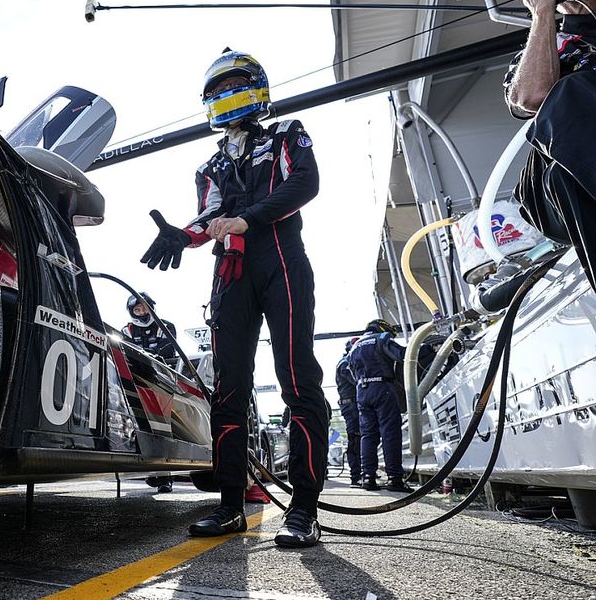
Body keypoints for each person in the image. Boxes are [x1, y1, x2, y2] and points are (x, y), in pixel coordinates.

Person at [140, 49, 329, 547]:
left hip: (282, 259)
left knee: (297, 377)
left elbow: (305, 183)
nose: (227, 98)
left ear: (257, 87)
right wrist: (184, 235)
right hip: (230, 272)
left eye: (235, 86)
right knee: (227, 389)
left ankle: (304, 510)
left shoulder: (287, 135)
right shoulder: (210, 164)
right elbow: (209, 216)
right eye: (217, 92)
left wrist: (248, 219)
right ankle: (230, 506)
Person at [504, 0, 596, 291]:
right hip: (551, 192)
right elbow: (531, 96)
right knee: (568, 94)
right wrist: (543, 11)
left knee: (563, 177)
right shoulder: (547, 45)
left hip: (569, 182)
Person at [347, 319, 413, 493]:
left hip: (362, 391)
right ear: (383, 327)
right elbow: (403, 355)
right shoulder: (382, 338)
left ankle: (367, 477)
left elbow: (351, 373)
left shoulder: (354, 347)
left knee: (367, 435)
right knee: (390, 433)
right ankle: (395, 479)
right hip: (382, 388)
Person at [121, 292, 178, 493]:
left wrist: (148, 358)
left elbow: (168, 350)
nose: (142, 312)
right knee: (138, 426)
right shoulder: (126, 330)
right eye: (137, 309)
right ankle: (152, 470)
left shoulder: (166, 326)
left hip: (160, 382)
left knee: (161, 428)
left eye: (144, 307)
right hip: (133, 382)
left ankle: (164, 476)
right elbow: (123, 349)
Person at [335, 337, 362, 488]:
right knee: (355, 440)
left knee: (360, 439)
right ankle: (356, 476)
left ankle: (361, 473)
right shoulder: (345, 363)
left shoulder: (348, 361)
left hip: (354, 405)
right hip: (351, 406)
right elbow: (356, 380)